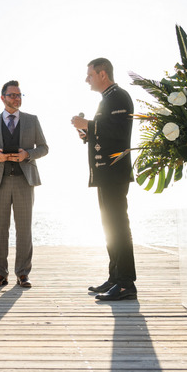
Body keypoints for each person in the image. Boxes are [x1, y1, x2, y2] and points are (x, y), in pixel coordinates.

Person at [71, 58, 137, 301]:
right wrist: (87, 132)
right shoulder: (107, 99)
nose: (86, 79)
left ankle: (126, 283)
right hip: (105, 173)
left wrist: (88, 124)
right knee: (110, 226)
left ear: (102, 74)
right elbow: (106, 132)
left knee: (118, 226)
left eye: (89, 75)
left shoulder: (119, 97)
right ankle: (115, 277)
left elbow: (119, 131)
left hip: (115, 172)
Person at [0, 80, 49, 288]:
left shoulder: (32, 120)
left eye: (19, 95)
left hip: (25, 181)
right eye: (12, 95)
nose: (16, 98)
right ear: (3, 98)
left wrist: (28, 154)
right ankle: (0, 274)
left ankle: (23, 274)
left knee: (24, 229)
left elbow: (44, 148)